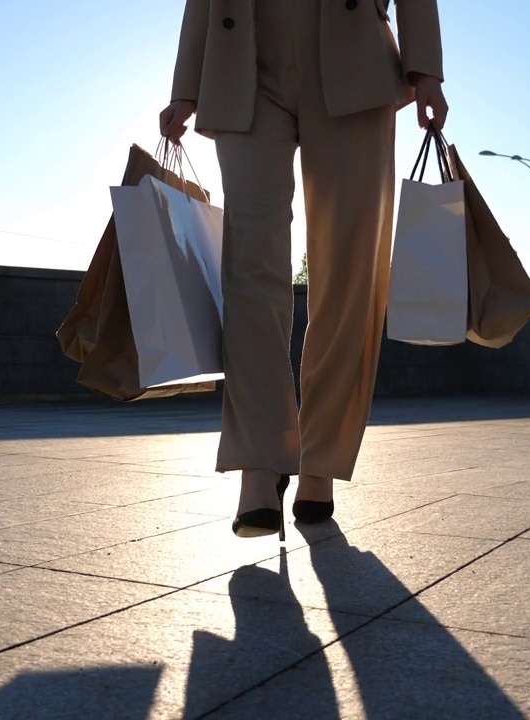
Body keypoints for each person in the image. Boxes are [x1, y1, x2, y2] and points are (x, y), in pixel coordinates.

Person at [158, 0, 447, 539]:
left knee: (348, 271)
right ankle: (259, 463)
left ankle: (321, 458)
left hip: (353, 49)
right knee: (248, 269)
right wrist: (186, 88)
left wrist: (426, 68)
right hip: (242, 53)